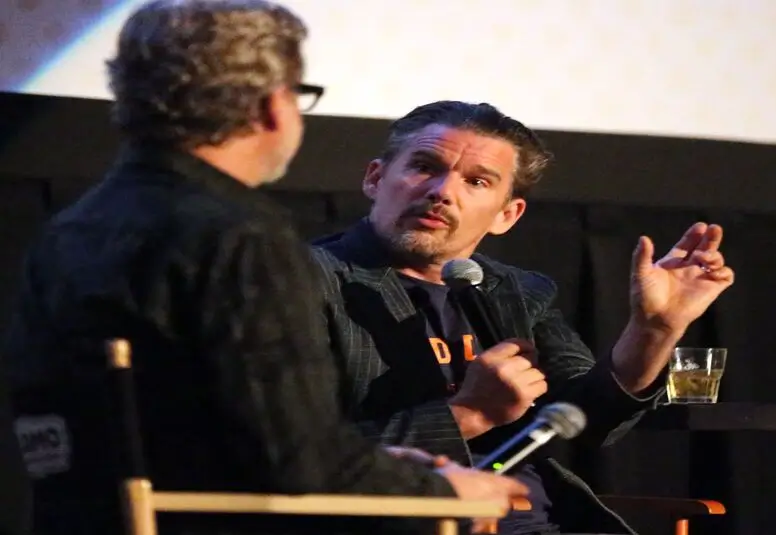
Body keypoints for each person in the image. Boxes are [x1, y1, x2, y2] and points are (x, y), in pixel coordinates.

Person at [1, 3, 527, 535]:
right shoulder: (238, 236)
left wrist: (392, 468)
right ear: (272, 107)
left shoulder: (67, 230)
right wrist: (445, 489)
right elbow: (295, 464)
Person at [310, 101, 736, 534]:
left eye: (476, 181)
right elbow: (289, 456)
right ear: (375, 178)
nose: (442, 191)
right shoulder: (302, 282)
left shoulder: (517, 291)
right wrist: (469, 413)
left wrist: (654, 329)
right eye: (424, 166)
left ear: (506, 215)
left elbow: (588, 417)